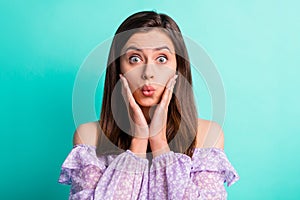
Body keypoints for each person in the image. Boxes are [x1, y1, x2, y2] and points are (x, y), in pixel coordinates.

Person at [58, 11, 239, 199]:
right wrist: (138, 142)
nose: (148, 73)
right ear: (118, 68)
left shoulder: (207, 135)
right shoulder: (89, 137)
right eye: (135, 59)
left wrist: (159, 143)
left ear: (178, 68)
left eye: (161, 59)